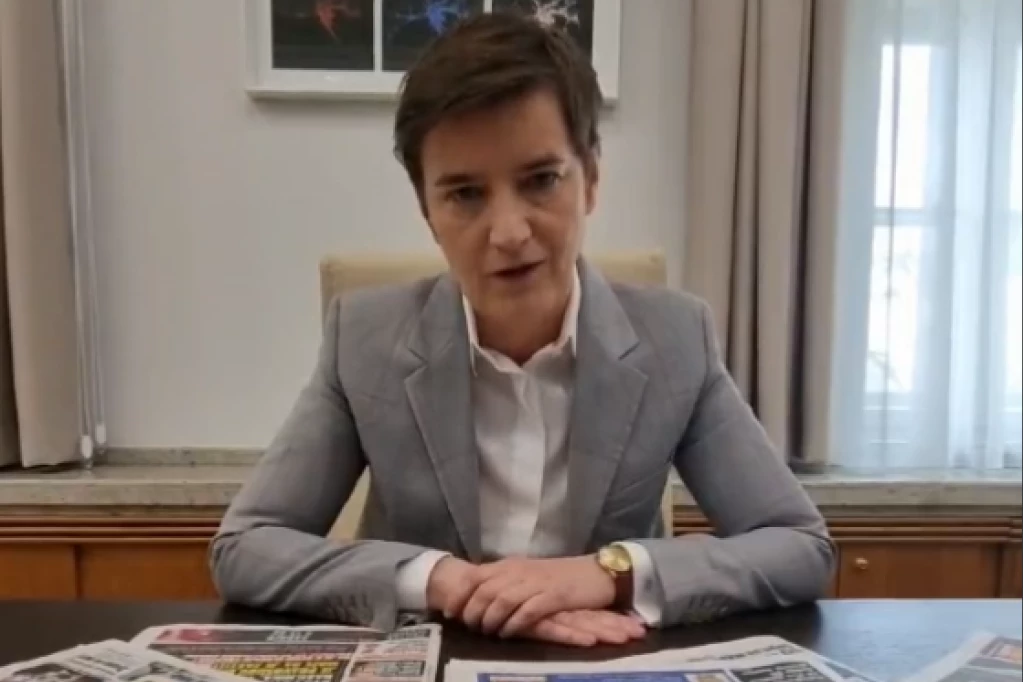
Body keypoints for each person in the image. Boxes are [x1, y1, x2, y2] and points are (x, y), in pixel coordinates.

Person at [210, 12, 836, 647]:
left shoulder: (676, 339)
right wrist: (440, 579)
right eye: (464, 194)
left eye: (541, 181)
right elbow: (246, 546)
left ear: (591, 179)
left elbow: (799, 545)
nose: (509, 233)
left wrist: (607, 573)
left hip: (604, 656)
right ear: (427, 211)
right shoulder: (364, 340)